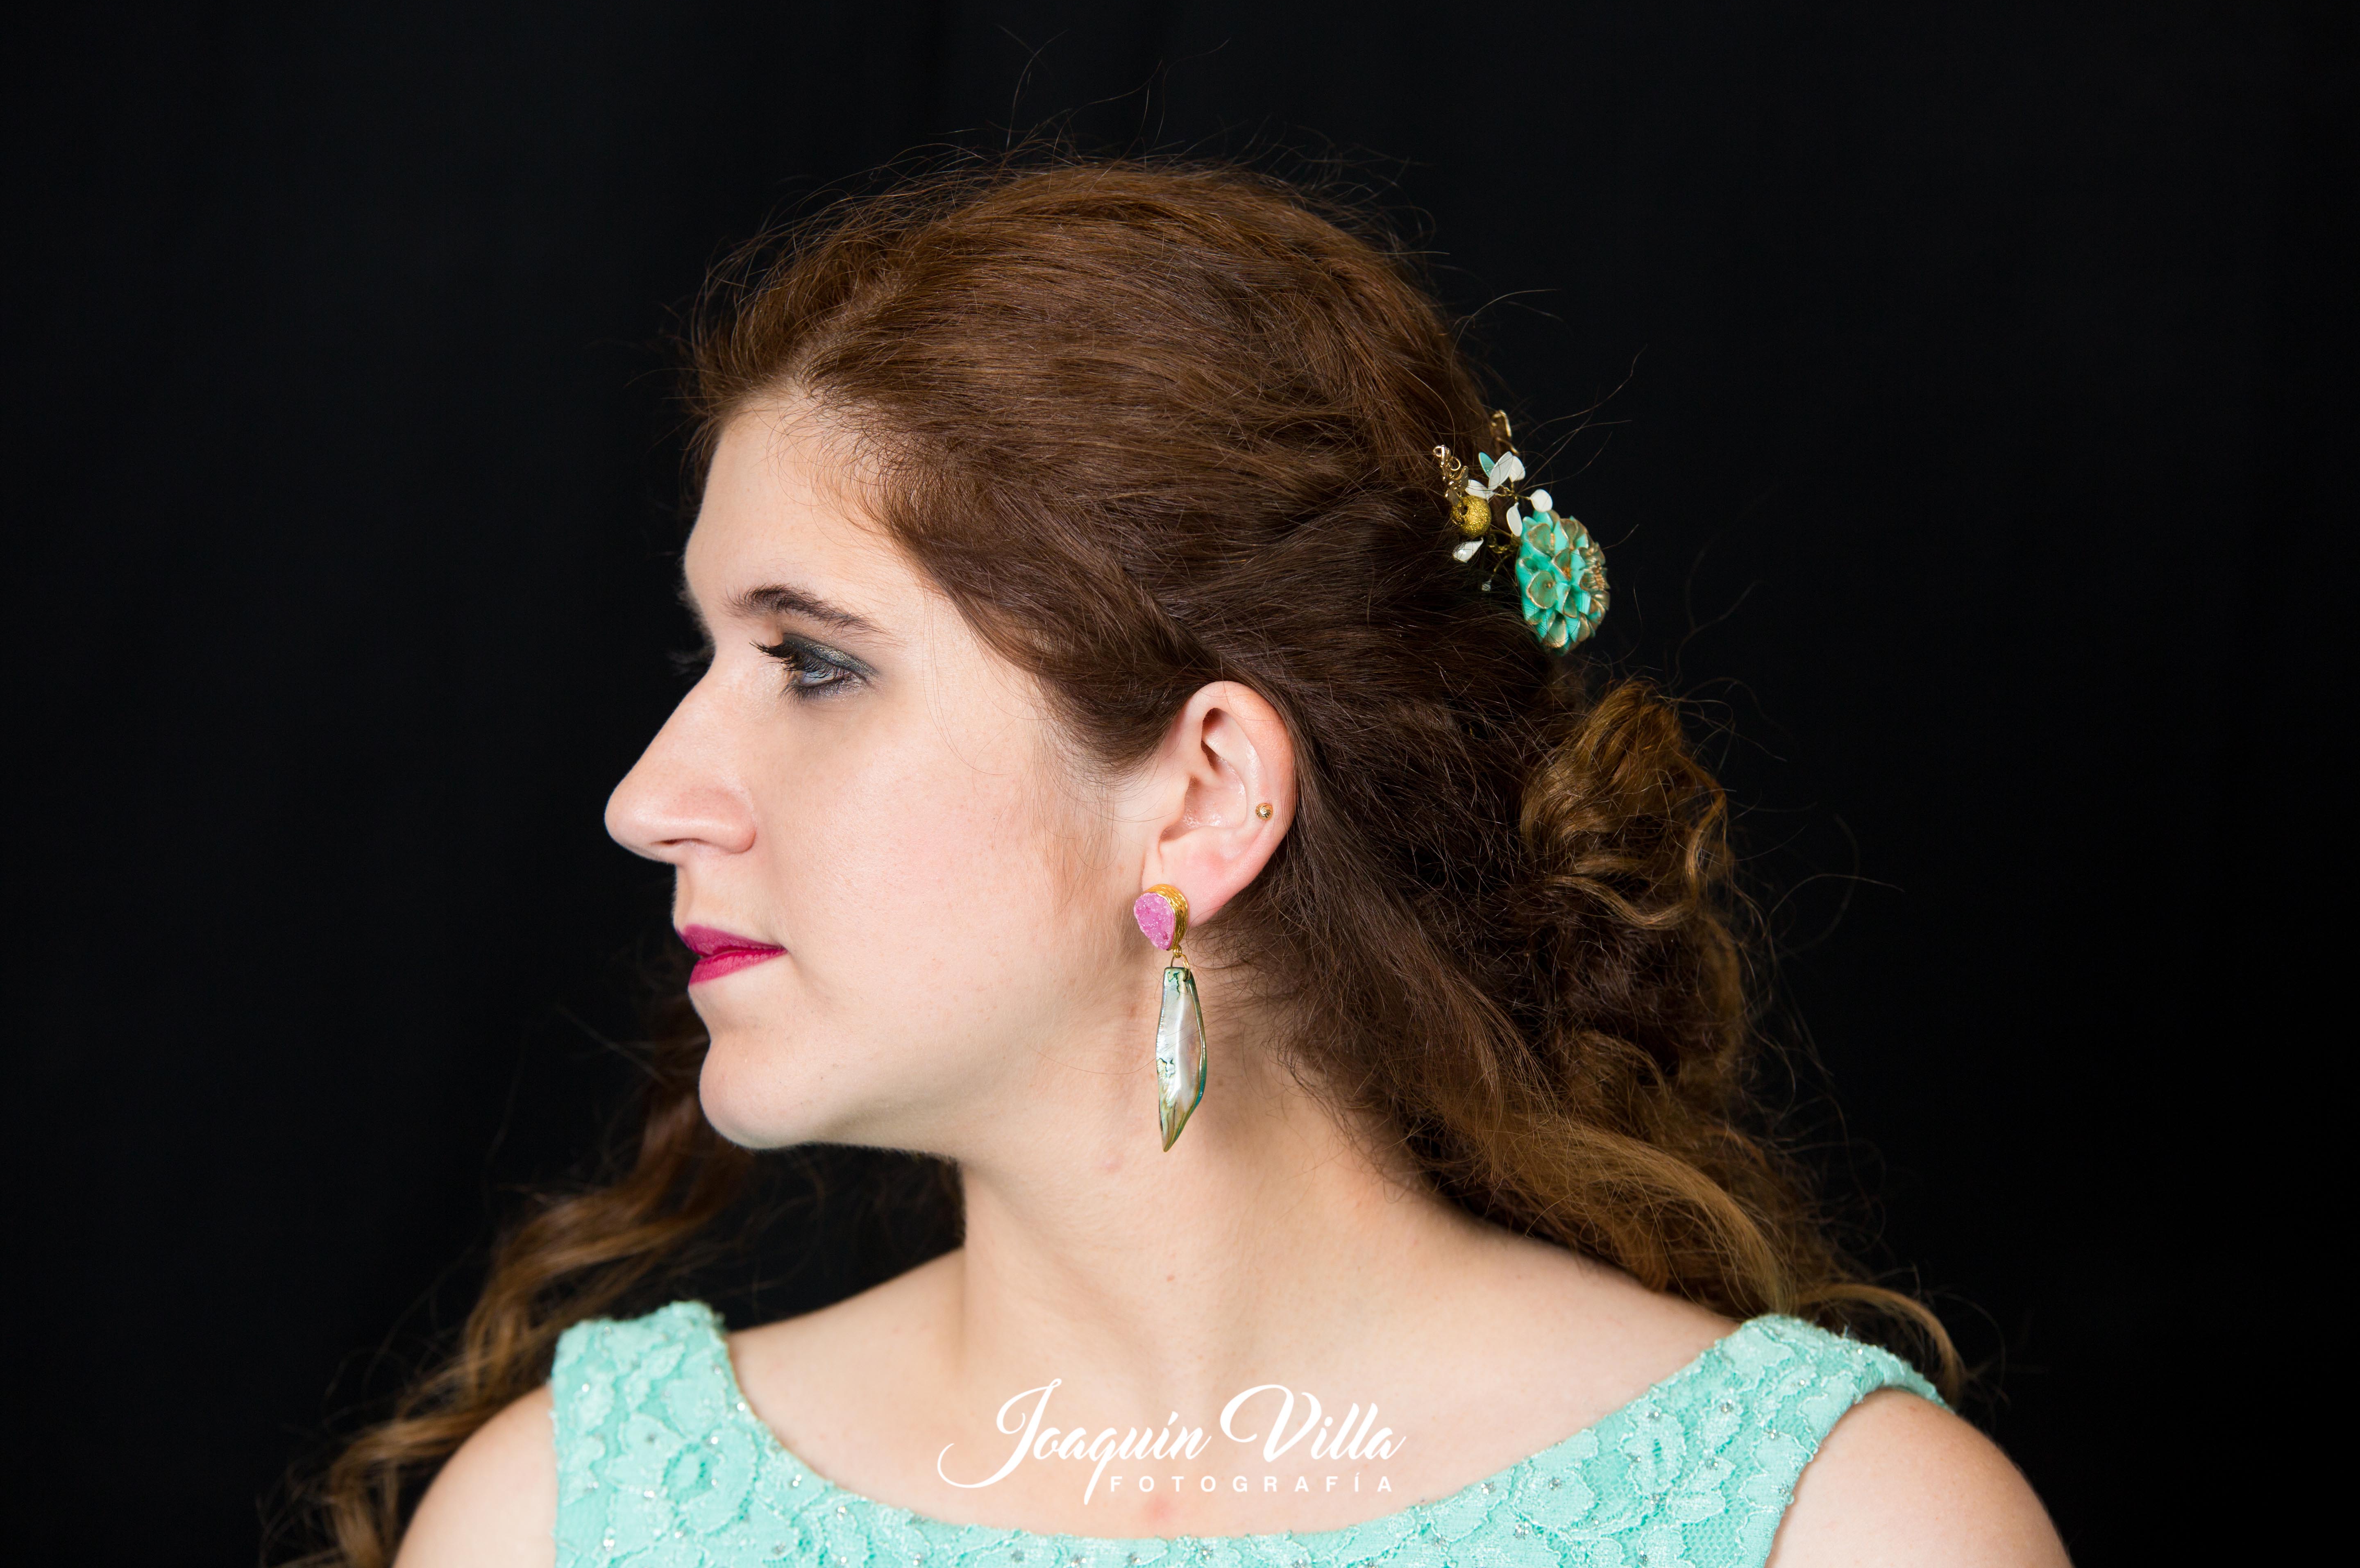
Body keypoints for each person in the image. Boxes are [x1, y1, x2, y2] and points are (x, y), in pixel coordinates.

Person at [331, 157, 2070, 1568]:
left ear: (1204, 796)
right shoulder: (566, 1525)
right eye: (706, 658)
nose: (651, 798)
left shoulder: (1840, 1533)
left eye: (815, 663)